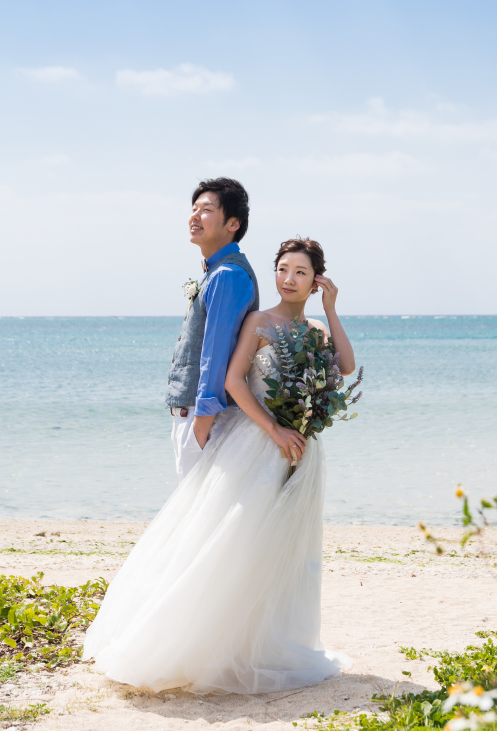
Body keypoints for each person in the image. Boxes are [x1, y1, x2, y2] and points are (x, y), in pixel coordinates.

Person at [82, 237, 356, 695]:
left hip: (303, 453)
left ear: (316, 281)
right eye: (283, 269)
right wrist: (274, 430)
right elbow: (233, 380)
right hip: (257, 444)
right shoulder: (259, 320)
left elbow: (346, 368)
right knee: (236, 543)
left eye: (301, 273)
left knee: (289, 553)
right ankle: (214, 646)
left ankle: (269, 643)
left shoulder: (315, 330)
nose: (288, 279)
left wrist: (330, 310)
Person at [166, 178, 259, 481]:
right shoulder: (217, 273)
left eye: (206, 209)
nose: (194, 216)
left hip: (205, 418)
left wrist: (201, 424)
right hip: (198, 416)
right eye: (193, 209)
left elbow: (215, 354)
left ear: (233, 222)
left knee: (195, 515)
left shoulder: (228, 275)